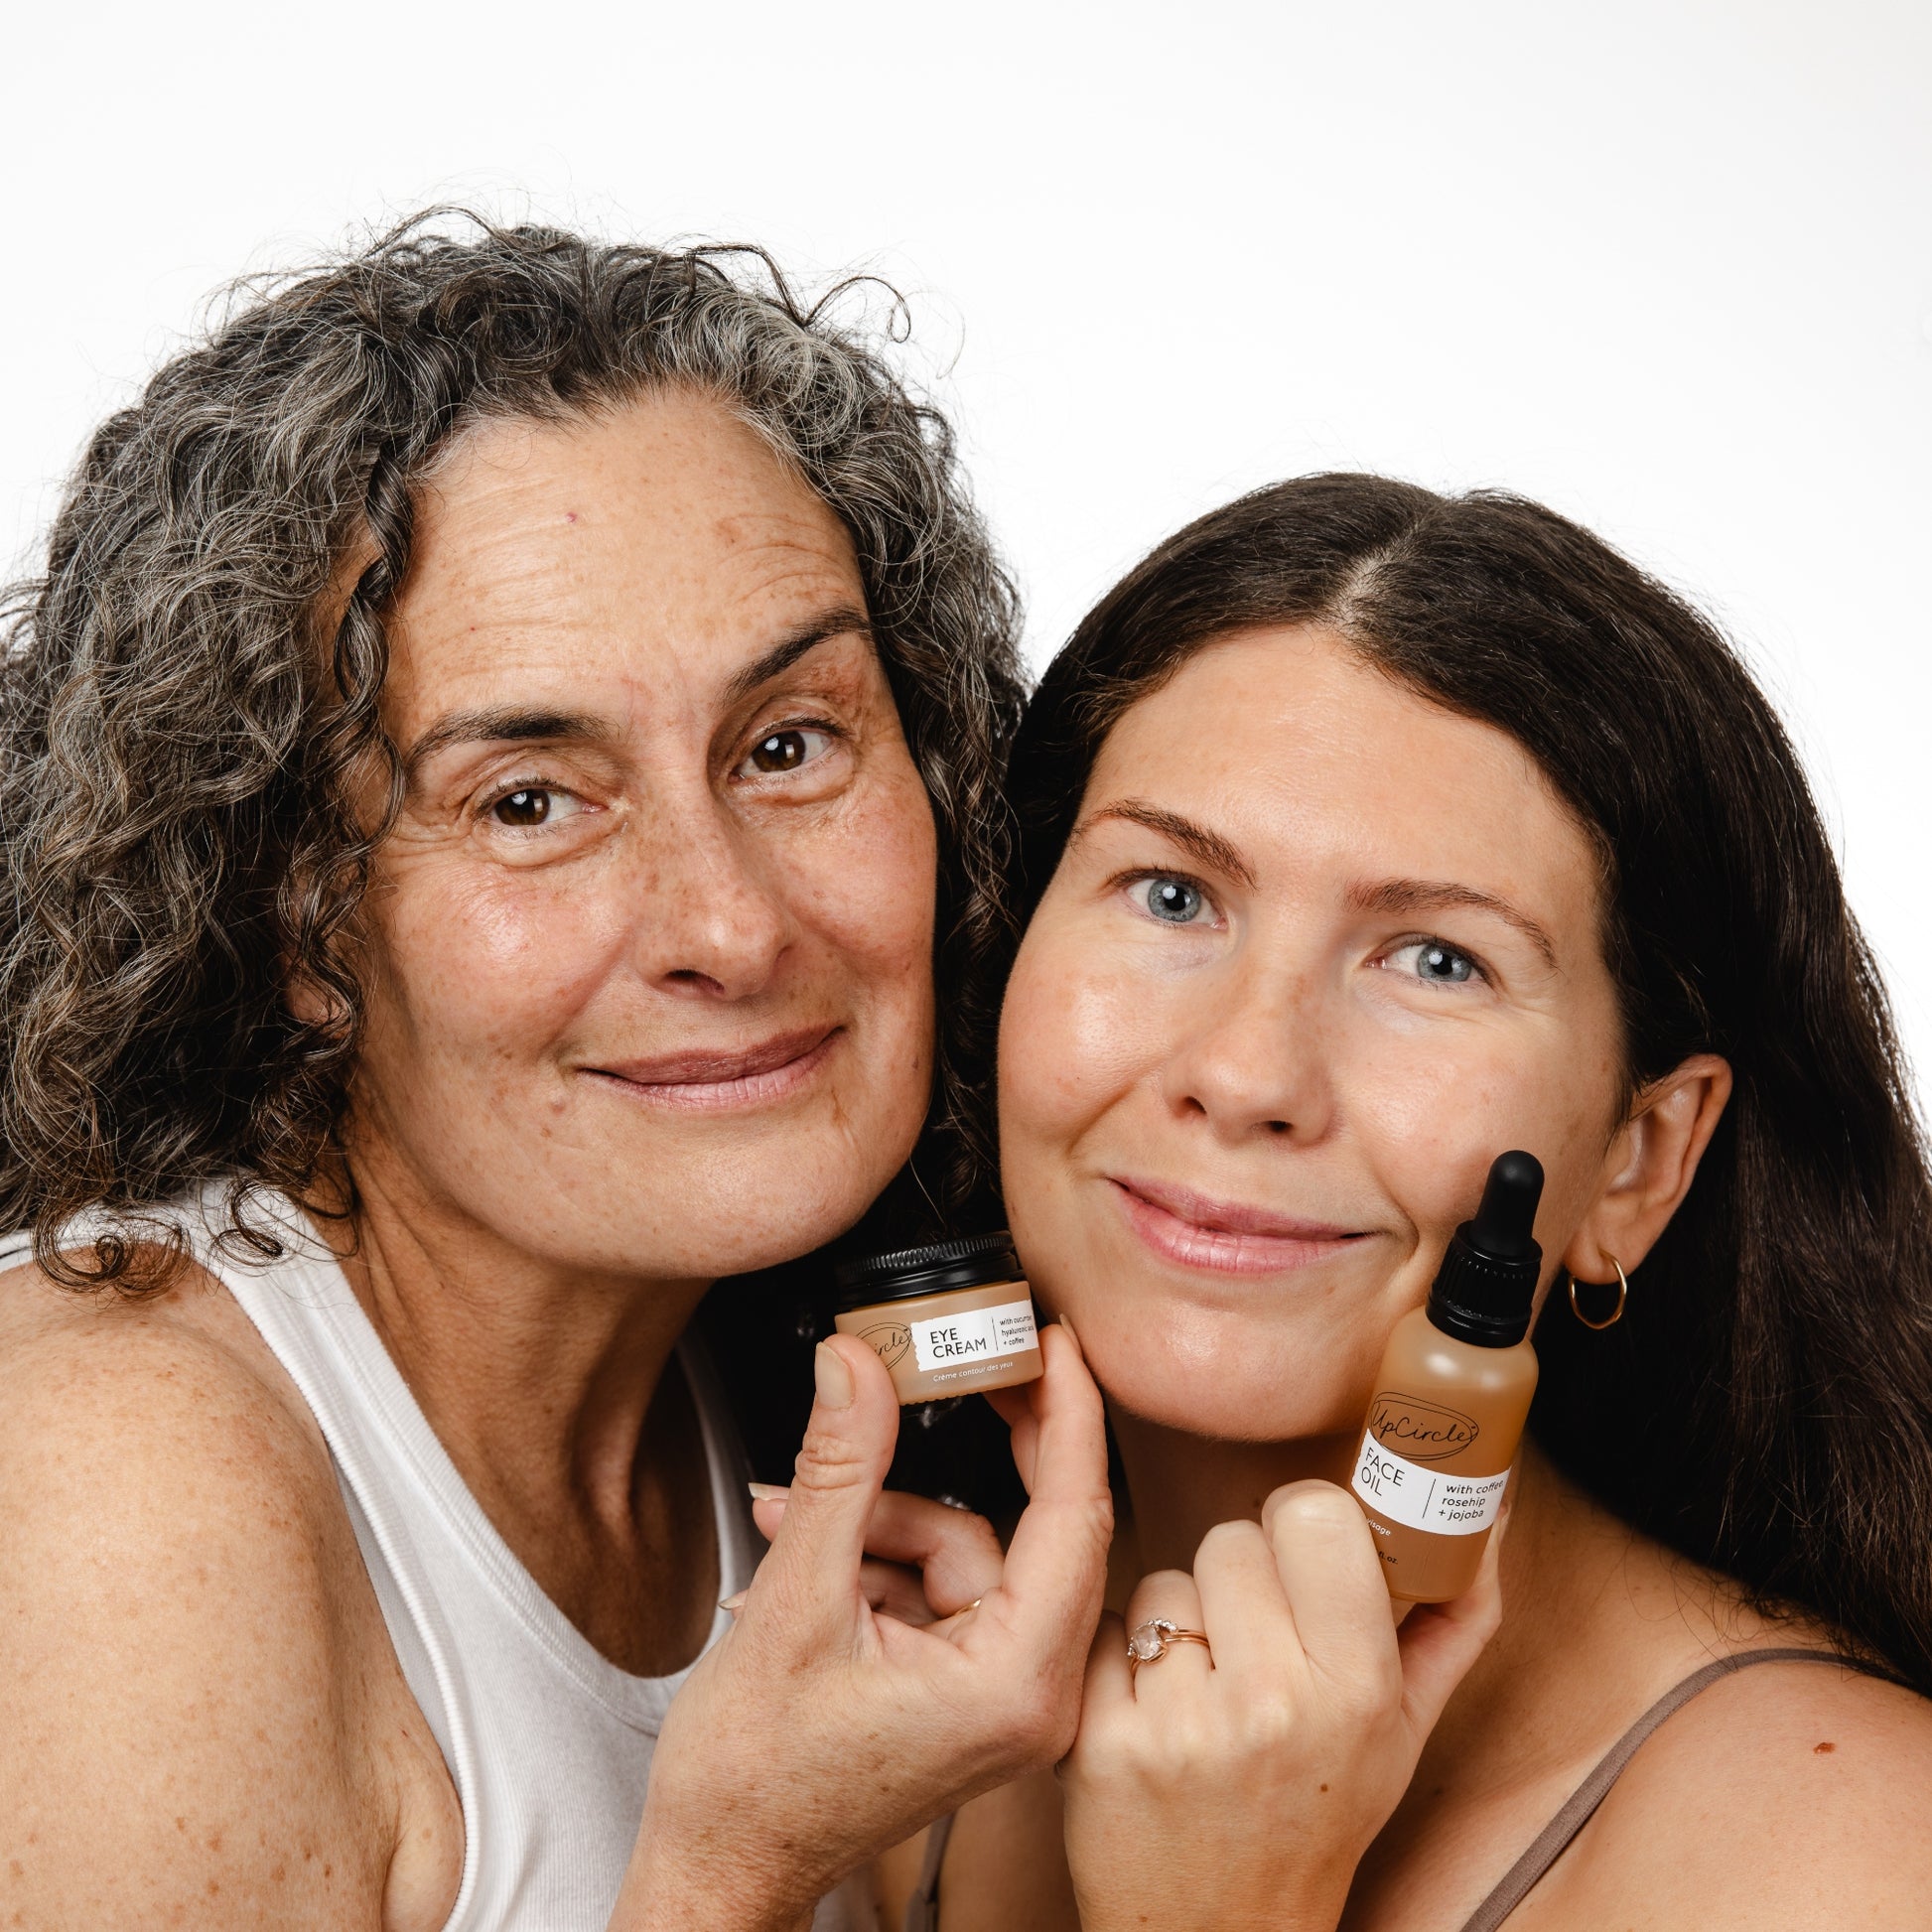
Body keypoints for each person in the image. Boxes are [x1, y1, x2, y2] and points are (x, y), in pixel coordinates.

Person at [0, 215, 1113, 1931]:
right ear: (291, 922)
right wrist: (734, 1863)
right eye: (529, 799)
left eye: (791, 743)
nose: (732, 926)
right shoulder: (104, 1489)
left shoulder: (784, 1368)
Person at [892, 474, 1932, 1927]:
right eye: (1171, 893)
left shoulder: (1851, 1864)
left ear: (1639, 1159)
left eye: (1436, 959)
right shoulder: (900, 1745)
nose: (1247, 1071)